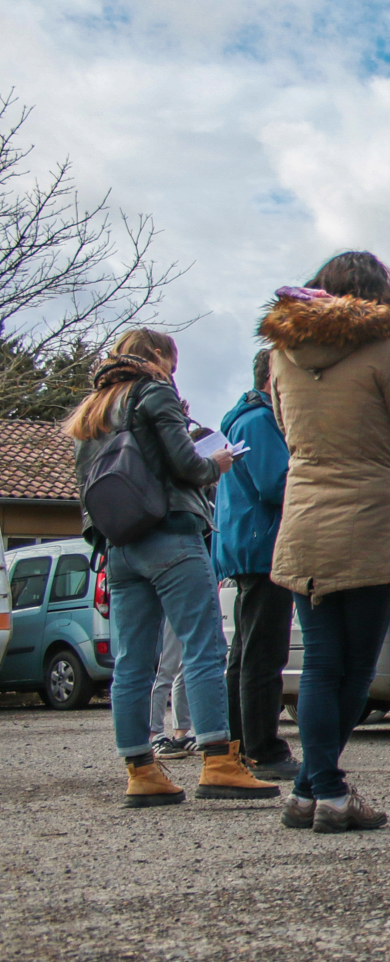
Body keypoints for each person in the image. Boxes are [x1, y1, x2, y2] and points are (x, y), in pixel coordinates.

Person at [261, 253, 390, 831]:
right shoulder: (381, 349)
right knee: (356, 668)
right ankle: (331, 793)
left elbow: (286, 428)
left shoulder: (280, 353)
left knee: (319, 663)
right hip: (368, 518)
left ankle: (309, 792)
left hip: (304, 517)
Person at [64, 329, 276, 809]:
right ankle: (219, 762)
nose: (172, 373)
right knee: (203, 648)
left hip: (120, 545)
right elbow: (187, 466)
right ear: (157, 355)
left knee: (132, 663)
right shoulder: (154, 391)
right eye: (172, 364)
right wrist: (216, 463)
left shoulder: (93, 407)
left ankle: (141, 771)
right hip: (171, 534)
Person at [213, 347, 298, 780]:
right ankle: (263, 749)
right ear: (273, 378)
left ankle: (239, 742)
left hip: (248, 546)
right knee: (264, 654)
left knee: (246, 653)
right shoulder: (261, 421)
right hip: (265, 548)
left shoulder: (242, 420)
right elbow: (277, 484)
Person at [147, 624, 192, 759]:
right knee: (166, 668)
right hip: (169, 613)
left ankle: (182, 734)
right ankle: (153, 735)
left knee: (186, 669)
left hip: (191, 610)